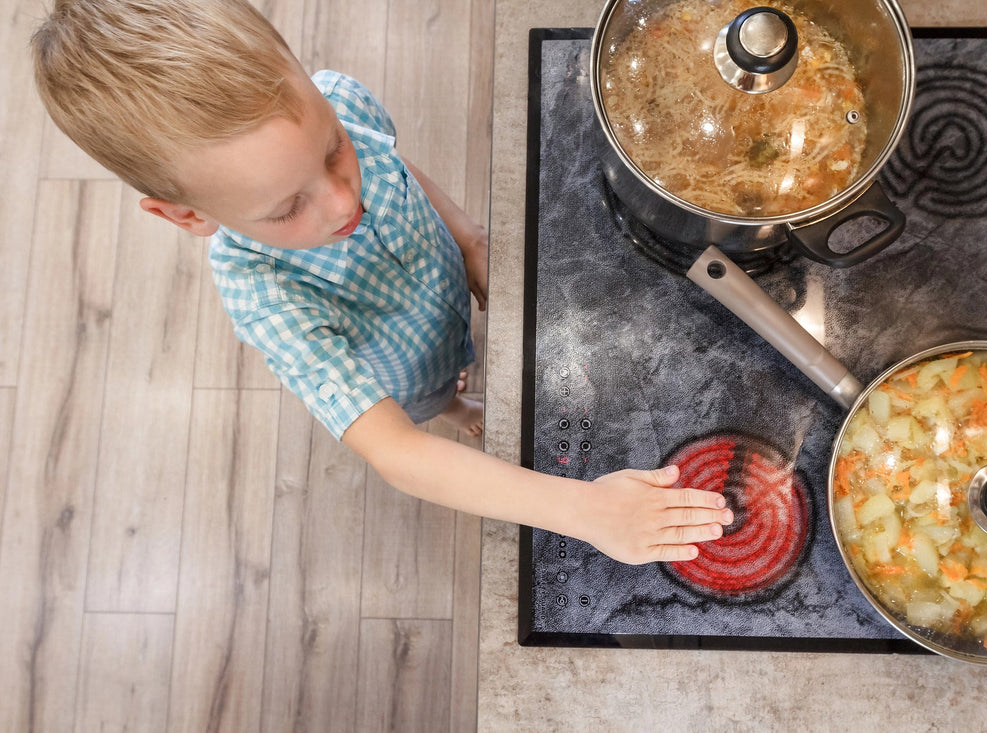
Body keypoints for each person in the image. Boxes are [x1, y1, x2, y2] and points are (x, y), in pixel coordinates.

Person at [30, 0, 733, 564]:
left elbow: (392, 164)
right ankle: (457, 408)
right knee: (435, 396)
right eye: (287, 207)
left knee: (451, 340)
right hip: (404, 373)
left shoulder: (339, 98)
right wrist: (586, 509)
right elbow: (397, 452)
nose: (345, 201)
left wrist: (467, 238)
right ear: (186, 214)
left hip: (441, 286)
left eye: (333, 150)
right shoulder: (264, 296)